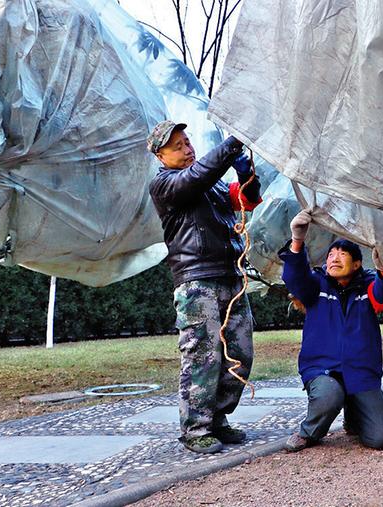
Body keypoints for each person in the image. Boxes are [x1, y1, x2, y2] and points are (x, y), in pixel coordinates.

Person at [147, 120, 262, 454]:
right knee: (202, 357)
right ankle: (195, 429)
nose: (187, 148)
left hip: (230, 277)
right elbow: (195, 179)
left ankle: (217, 419)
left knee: (240, 354)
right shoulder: (165, 184)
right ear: (161, 155)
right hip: (197, 283)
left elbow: (248, 200)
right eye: (177, 146)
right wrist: (231, 146)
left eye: (187, 142)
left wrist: (246, 174)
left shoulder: (210, 184)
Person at [278, 210, 383, 452]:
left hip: (361, 372)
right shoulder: (316, 284)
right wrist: (297, 240)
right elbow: (295, 278)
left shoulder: (367, 286)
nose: (334, 258)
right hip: (323, 368)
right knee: (329, 395)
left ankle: (354, 416)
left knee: (382, 438)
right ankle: (309, 432)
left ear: (357, 264)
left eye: (342, 254)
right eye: (331, 254)